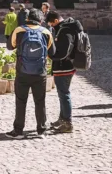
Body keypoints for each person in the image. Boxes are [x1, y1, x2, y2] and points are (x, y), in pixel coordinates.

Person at [6, 8, 56, 138]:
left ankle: (18, 131)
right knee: (40, 101)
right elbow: (52, 53)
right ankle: (41, 130)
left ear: (28, 18)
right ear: (41, 19)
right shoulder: (45, 32)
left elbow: (10, 46)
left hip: (22, 71)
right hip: (40, 72)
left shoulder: (19, 30)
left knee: (20, 101)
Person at [48, 11, 82, 133]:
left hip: (64, 67)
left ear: (56, 21)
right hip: (66, 66)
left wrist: (51, 56)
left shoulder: (64, 31)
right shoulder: (65, 28)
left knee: (64, 94)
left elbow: (63, 52)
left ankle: (68, 123)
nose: (51, 26)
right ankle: (62, 118)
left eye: (51, 24)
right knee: (62, 94)